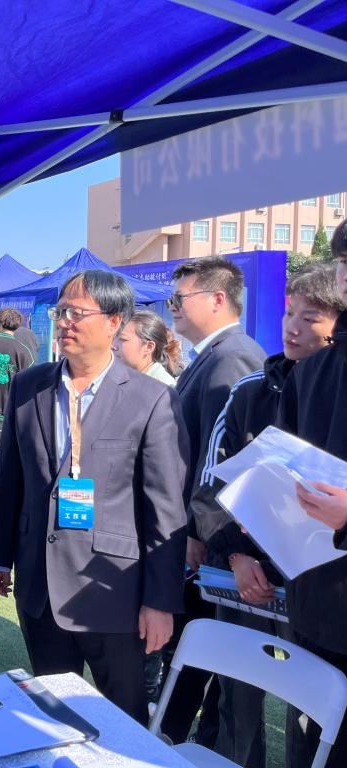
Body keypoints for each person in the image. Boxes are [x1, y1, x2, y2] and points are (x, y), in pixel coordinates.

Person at [0, 269, 189, 724]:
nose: (64, 322)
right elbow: (11, 478)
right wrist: (0, 555)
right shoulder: (29, 386)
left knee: (123, 720)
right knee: (54, 717)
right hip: (39, 585)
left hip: (114, 590)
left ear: (114, 322)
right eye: (60, 312)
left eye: (77, 313)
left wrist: (160, 601)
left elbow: (165, 508)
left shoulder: (151, 399)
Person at [188, 264, 344, 768]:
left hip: (318, 584)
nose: (292, 328)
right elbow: (213, 483)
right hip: (249, 577)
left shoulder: (332, 389)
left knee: (313, 712)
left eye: (310, 317)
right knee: (240, 697)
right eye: (288, 313)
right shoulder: (251, 389)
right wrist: (235, 554)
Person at [162, 256, 266, 745]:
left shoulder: (233, 358)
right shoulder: (212, 355)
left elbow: (224, 463)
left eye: (179, 298)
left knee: (228, 684)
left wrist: (199, 532)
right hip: (206, 541)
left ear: (218, 299)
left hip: (218, 548)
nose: (172, 308)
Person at [275, 224, 347, 768]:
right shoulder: (313, 372)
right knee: (310, 746)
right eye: (344, 262)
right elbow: (284, 470)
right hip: (316, 601)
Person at [0, 308, 36, 505]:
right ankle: (5, 490)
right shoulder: (23, 350)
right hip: (11, 411)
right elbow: (29, 381)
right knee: (10, 453)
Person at [114, 310, 181, 386]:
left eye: (122, 339)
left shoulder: (162, 387)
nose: (113, 345)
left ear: (149, 347)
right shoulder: (130, 378)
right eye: (114, 337)